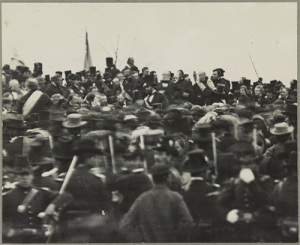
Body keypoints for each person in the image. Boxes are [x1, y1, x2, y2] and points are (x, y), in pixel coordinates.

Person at [2, 155, 72, 243]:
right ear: (16, 177)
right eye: (21, 175)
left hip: (39, 238)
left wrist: (52, 205)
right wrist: (7, 231)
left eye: (27, 174)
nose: (25, 178)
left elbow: (66, 196)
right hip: (17, 239)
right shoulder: (7, 196)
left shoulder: (41, 193)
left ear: (32, 176)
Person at [119, 165, 194, 242]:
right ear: (168, 178)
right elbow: (188, 222)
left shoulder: (142, 198)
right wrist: (177, 239)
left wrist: (140, 240)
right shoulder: (175, 197)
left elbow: (124, 225)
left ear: (152, 179)